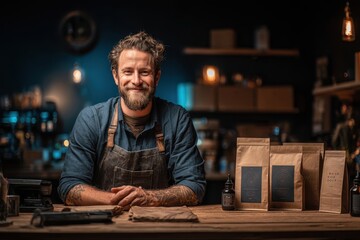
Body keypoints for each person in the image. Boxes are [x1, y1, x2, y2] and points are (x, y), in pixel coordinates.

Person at [58, 31, 206, 209]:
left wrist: (149, 198)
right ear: (116, 76)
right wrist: (119, 201)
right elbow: (69, 188)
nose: (136, 80)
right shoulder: (91, 119)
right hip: (105, 229)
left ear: (156, 77)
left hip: (160, 229)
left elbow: (194, 187)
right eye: (128, 72)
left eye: (144, 72)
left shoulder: (177, 119)